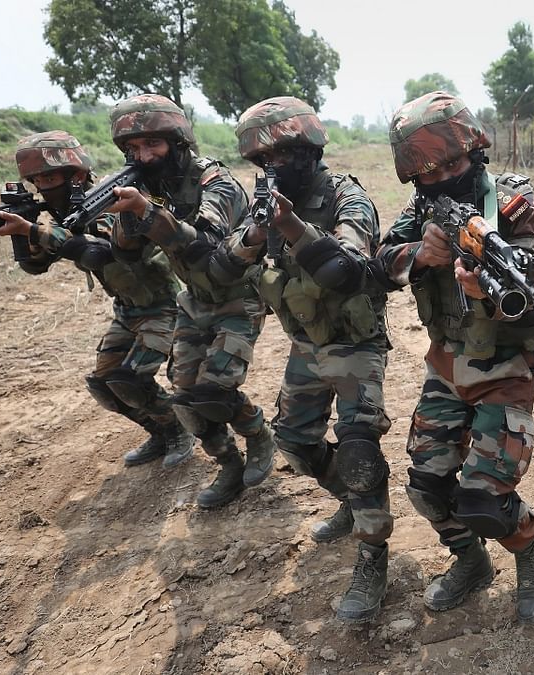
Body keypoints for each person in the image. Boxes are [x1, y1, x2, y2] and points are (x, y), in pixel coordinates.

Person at [375, 91, 534, 621]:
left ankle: (530, 551)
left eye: (450, 163)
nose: (440, 177)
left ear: (473, 149)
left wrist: (491, 294)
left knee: (484, 500)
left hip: (506, 367)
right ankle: (470, 562)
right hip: (448, 364)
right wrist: (417, 254)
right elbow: (378, 263)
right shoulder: (421, 210)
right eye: (426, 172)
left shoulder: (513, 202)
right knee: (427, 486)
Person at [224, 96, 394, 622]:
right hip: (306, 346)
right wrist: (255, 234)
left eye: (281, 156)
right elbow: (226, 267)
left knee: (359, 448)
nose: (270, 168)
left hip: (354, 344)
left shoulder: (346, 197)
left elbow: (348, 268)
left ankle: (372, 555)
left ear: (308, 151)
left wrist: (293, 226)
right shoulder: (266, 208)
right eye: (262, 161)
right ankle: (346, 497)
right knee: (295, 442)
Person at [106, 93, 274, 508]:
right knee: (185, 397)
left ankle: (258, 435)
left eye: (153, 145)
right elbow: (124, 252)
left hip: (238, 296)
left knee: (214, 389)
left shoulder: (214, 181)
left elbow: (208, 245)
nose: (143, 156)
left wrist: (149, 213)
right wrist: (128, 219)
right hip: (194, 300)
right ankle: (228, 464)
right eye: (134, 149)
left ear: (178, 141)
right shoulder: (146, 186)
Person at [0, 131, 192, 468]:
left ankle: (178, 429)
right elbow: (36, 267)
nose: (44, 187)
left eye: (51, 178)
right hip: (128, 311)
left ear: (78, 176)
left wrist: (32, 230)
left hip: (163, 308)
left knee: (130, 379)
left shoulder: (111, 201)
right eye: (37, 181)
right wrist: (24, 237)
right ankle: (158, 431)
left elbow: (100, 253)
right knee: (104, 384)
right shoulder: (62, 219)